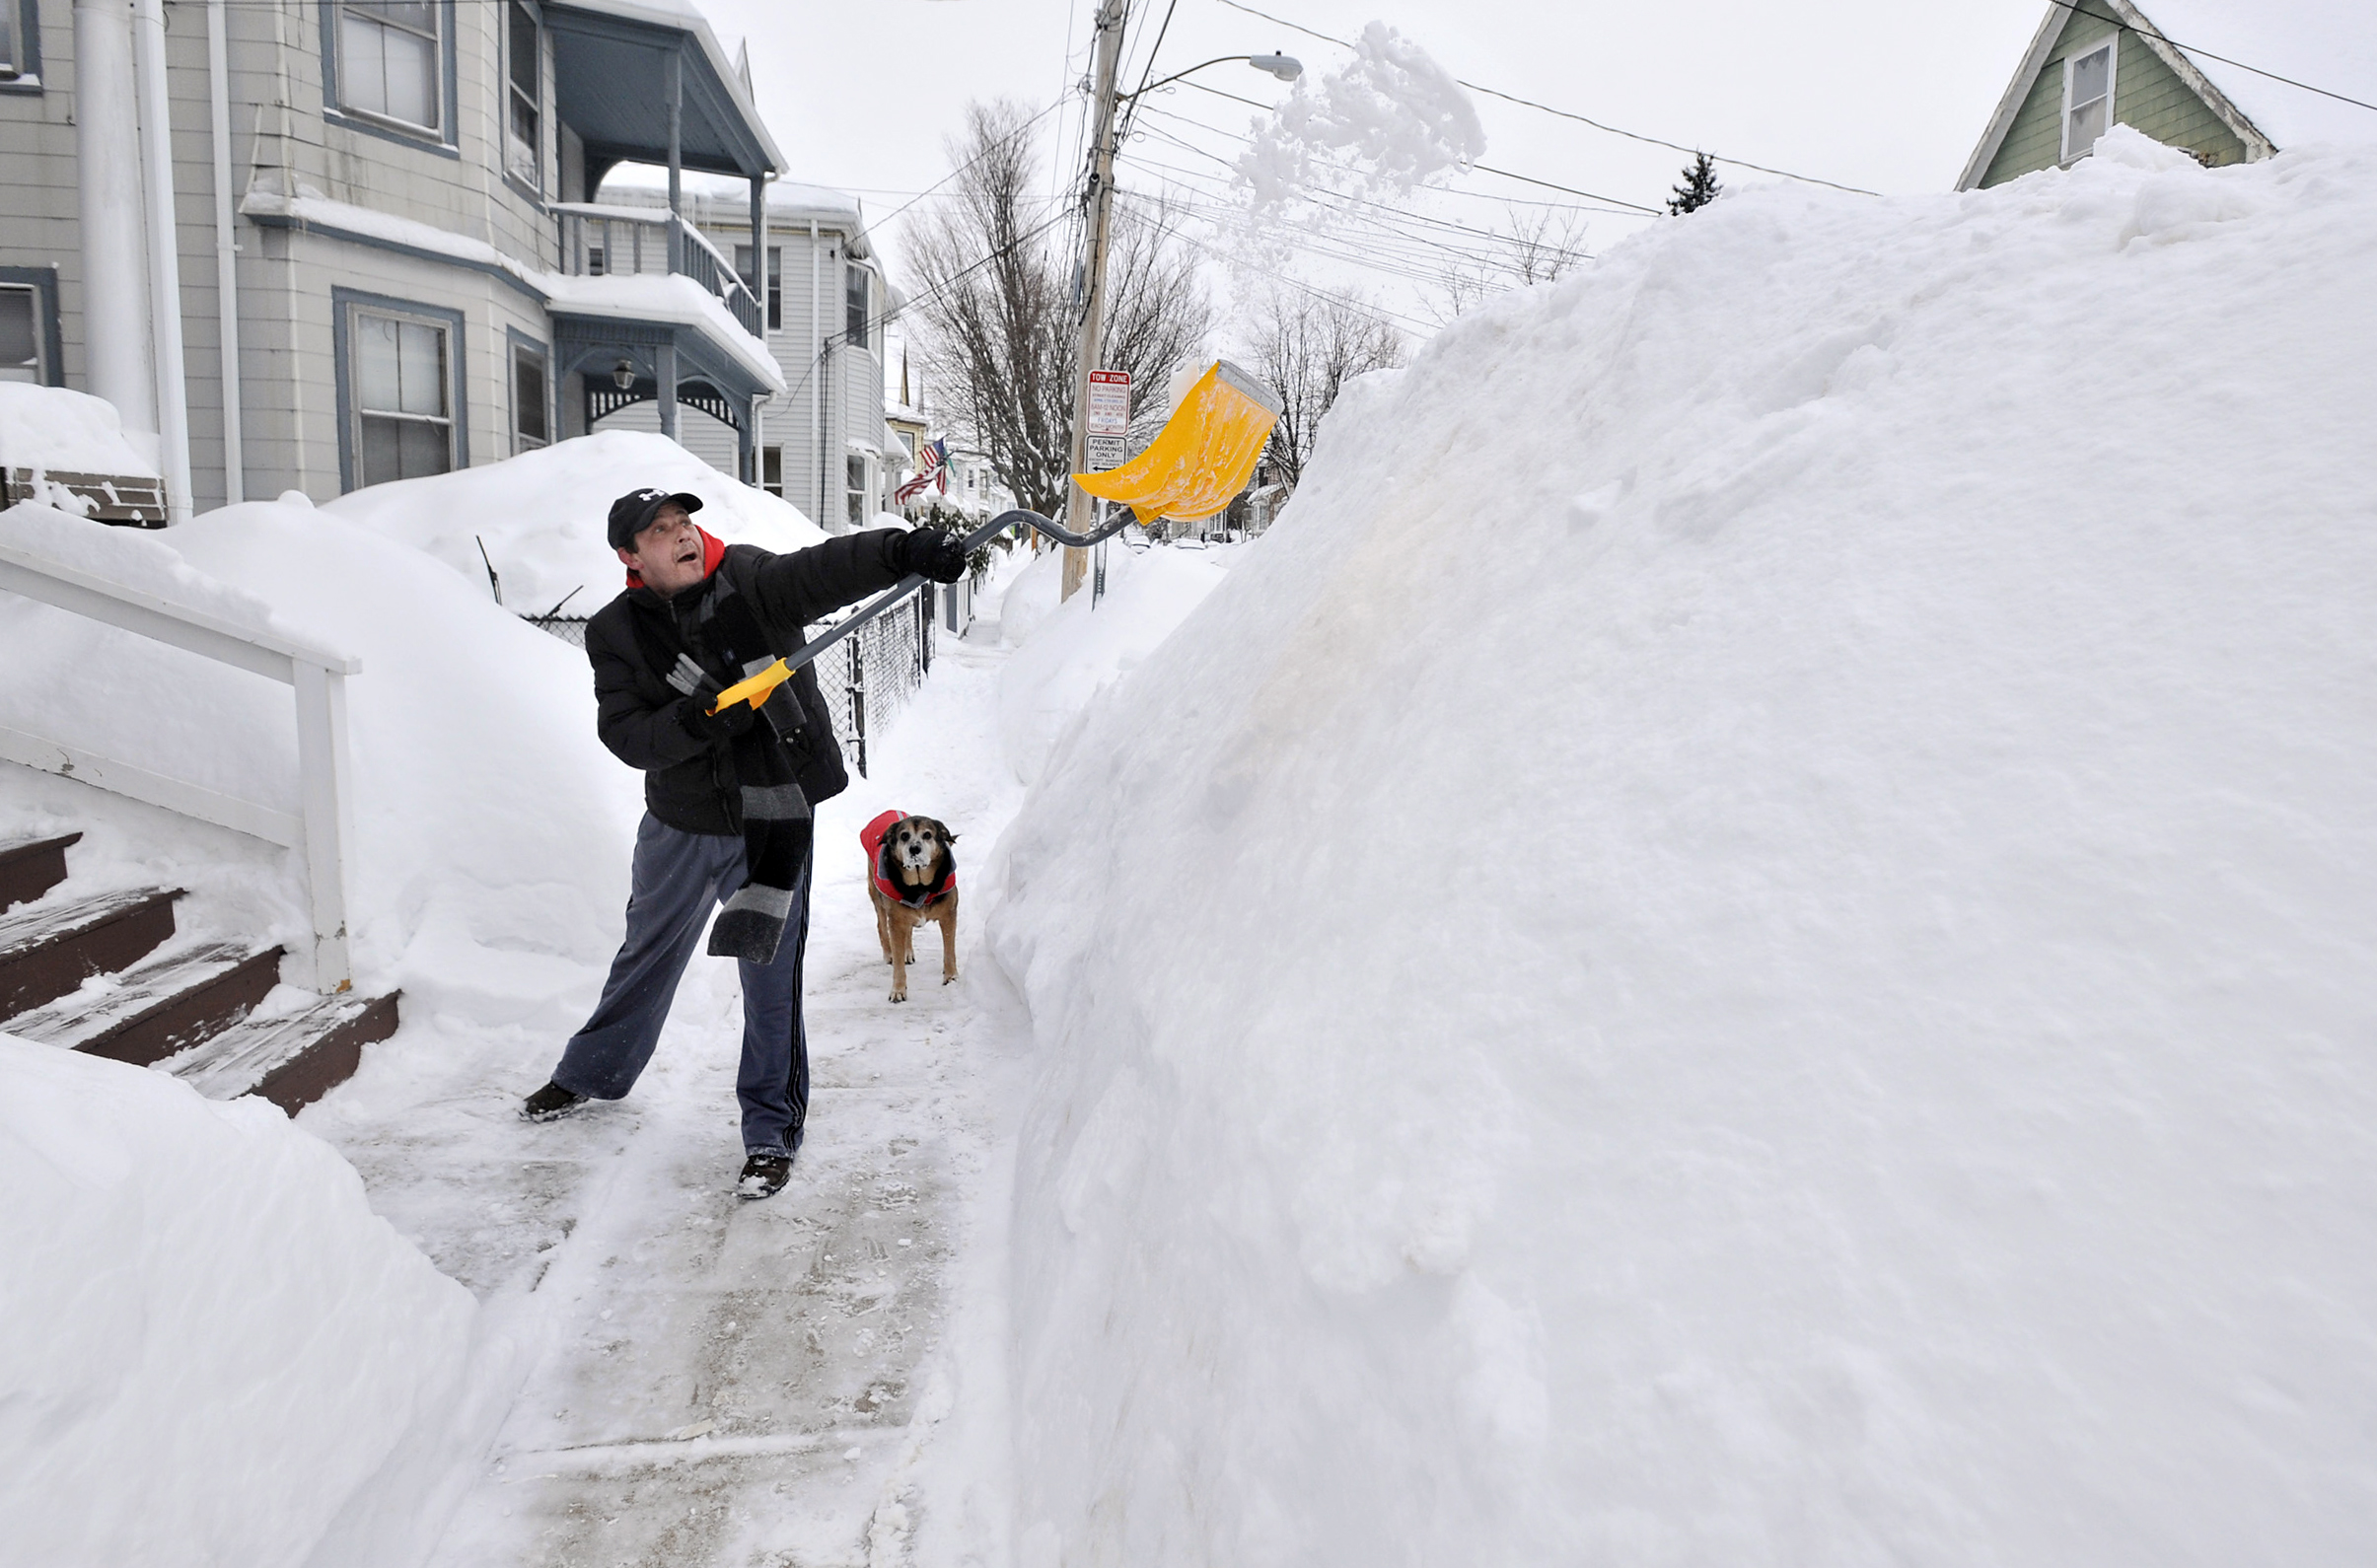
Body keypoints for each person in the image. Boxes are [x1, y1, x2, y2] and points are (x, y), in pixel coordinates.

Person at [519, 487, 969, 1198]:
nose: (682, 536)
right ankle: (593, 1074)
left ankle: (769, 1131)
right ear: (631, 557)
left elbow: (827, 569)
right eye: (660, 531)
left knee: (771, 980)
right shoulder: (617, 632)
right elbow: (626, 733)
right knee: (646, 954)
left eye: (685, 522)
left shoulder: (753, 583)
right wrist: (695, 721)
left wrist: (901, 550)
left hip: (774, 815)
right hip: (680, 822)